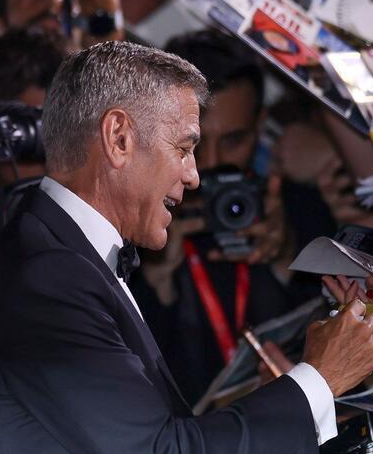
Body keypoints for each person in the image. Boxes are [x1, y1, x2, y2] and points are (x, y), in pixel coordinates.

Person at [0, 41, 373, 454]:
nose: (195, 176)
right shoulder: (44, 276)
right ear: (119, 138)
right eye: (183, 148)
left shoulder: (64, 259)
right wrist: (318, 379)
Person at [131, 30, 336, 403]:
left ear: (260, 125)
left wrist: (289, 257)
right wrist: (154, 281)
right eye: (191, 144)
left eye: (234, 141)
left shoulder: (297, 206)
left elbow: (336, 324)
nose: (208, 165)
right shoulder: (130, 228)